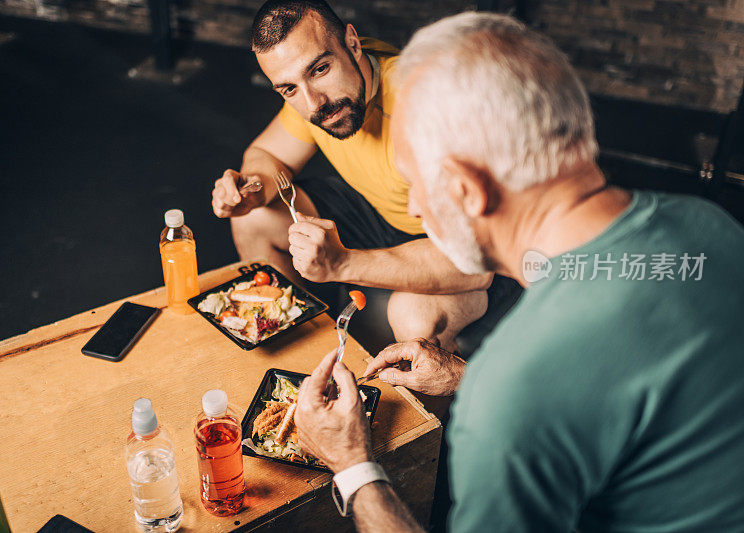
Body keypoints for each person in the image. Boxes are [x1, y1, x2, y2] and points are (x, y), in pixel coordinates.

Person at [294, 12, 744, 532]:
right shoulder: (711, 225)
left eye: (414, 183)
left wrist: (352, 465)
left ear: (467, 189)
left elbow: (548, 387)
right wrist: (462, 376)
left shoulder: (512, 392)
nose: (415, 207)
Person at [210, 0, 494, 352]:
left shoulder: (424, 106)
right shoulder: (313, 92)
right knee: (254, 219)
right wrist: (253, 188)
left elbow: (474, 261)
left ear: (353, 43)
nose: (314, 104)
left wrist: (342, 263)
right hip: (380, 213)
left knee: (413, 316)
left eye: (320, 70)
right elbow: (267, 155)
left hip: (465, 249)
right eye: (289, 89)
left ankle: (429, 405)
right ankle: (300, 356)